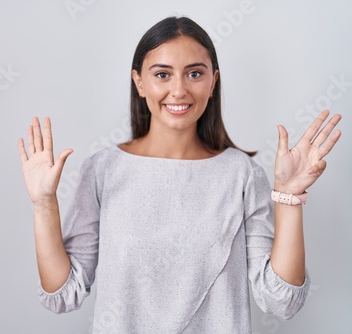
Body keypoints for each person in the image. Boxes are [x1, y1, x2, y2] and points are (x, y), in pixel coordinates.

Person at [18, 16, 342, 334]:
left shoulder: (241, 175)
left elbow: (280, 301)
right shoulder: (103, 170)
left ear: (213, 82)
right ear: (139, 83)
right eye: (162, 74)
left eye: (194, 74)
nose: (179, 90)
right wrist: (44, 203)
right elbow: (63, 294)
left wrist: (288, 195)